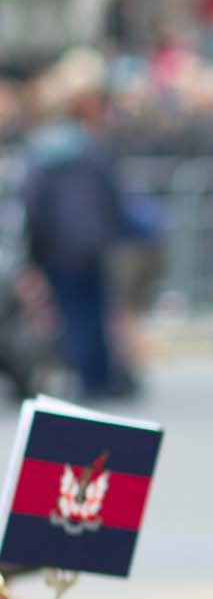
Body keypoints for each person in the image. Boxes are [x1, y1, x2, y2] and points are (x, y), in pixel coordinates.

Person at [20, 49, 135, 402]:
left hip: (60, 244)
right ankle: (96, 376)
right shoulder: (89, 146)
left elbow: (33, 202)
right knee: (93, 309)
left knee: (75, 311)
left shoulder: (44, 150)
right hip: (90, 241)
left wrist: (35, 248)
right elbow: (111, 191)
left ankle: (89, 376)